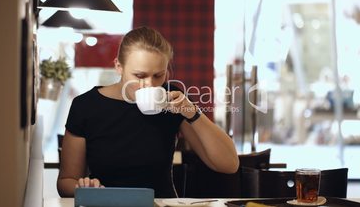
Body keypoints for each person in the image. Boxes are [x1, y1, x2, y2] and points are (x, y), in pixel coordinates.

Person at [57, 26, 239, 198]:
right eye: (139, 75)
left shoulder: (173, 100)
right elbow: (66, 181)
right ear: (119, 67)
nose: (149, 84)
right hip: (107, 203)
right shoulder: (86, 105)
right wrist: (85, 189)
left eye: (158, 75)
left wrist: (192, 112)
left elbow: (229, 164)